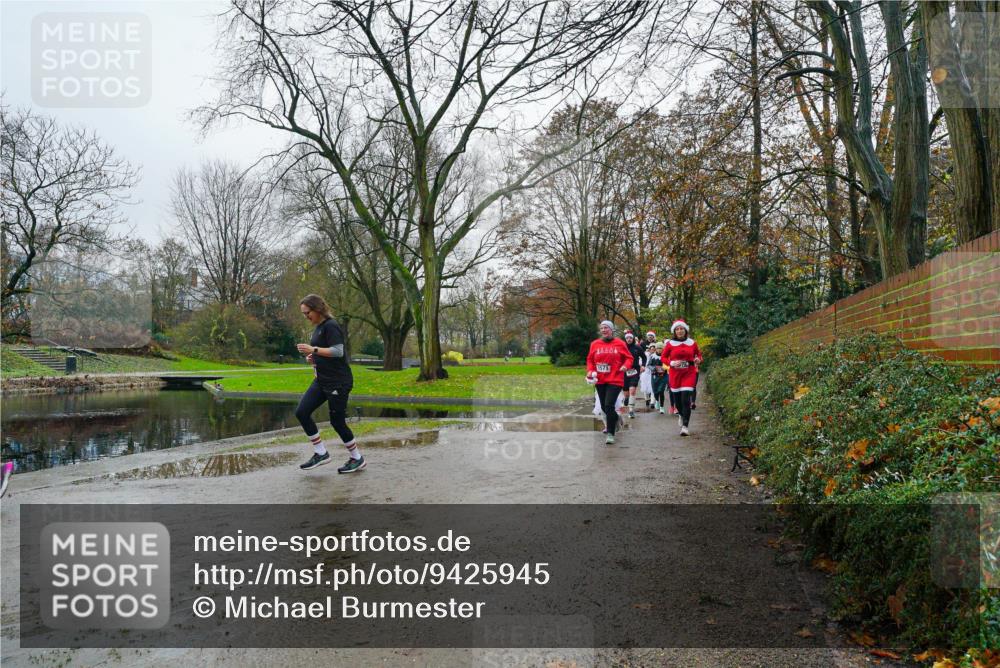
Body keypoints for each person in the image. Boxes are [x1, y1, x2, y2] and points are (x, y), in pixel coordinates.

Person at [295, 294, 366, 473]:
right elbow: (324, 352)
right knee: (302, 412)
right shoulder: (319, 328)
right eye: (304, 314)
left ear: (317, 309)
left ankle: (357, 458)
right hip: (321, 380)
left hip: (338, 382)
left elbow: (338, 351)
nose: (306, 317)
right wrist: (313, 357)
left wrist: (314, 349)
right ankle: (321, 453)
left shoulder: (331, 326)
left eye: (307, 313)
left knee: (337, 421)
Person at [586, 320, 633, 445]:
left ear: (612, 330)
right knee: (603, 407)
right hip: (600, 379)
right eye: (601, 328)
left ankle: (611, 434)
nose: (603, 330)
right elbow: (590, 359)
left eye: (606, 328)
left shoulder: (620, 344)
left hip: (615, 379)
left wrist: (625, 366)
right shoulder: (595, 344)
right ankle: (616, 418)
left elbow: (629, 358)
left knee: (608, 405)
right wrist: (590, 371)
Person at [662, 320, 702, 436]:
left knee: (686, 399)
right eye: (677, 329)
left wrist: (698, 360)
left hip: (689, 373)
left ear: (686, 330)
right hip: (675, 374)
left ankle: (685, 426)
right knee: (678, 402)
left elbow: (698, 355)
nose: (680, 331)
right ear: (674, 331)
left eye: (682, 329)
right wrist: (671, 363)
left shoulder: (692, 343)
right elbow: (663, 357)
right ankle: (680, 414)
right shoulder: (670, 344)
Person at [622, 331, 645, 418]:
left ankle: (631, 410)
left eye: (630, 338)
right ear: (625, 339)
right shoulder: (622, 348)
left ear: (633, 338)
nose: (629, 339)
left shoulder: (637, 348)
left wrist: (643, 365)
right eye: (627, 338)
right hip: (624, 372)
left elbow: (644, 357)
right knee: (626, 393)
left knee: (632, 390)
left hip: (635, 371)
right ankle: (626, 399)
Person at [649, 342, 668, 414]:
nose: (659, 350)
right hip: (654, 376)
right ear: (656, 349)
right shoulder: (652, 356)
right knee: (655, 391)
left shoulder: (665, 356)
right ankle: (657, 401)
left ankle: (662, 407)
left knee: (661, 391)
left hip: (663, 376)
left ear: (663, 349)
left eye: (661, 348)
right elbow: (648, 365)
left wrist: (665, 368)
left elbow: (668, 364)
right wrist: (654, 368)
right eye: (658, 348)